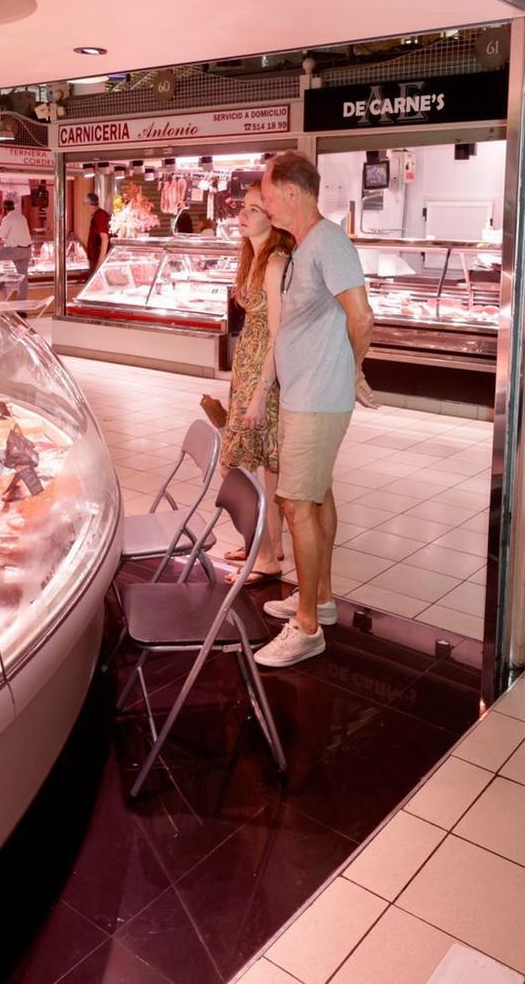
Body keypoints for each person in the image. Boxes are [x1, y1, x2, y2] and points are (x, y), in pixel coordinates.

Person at [254, 152, 375, 669]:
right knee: (317, 497)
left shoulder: (329, 241)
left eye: (267, 190)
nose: (262, 200)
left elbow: (362, 316)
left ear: (292, 191)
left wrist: (353, 370)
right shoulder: (303, 247)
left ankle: (305, 627)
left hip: (318, 398)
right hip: (304, 394)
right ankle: (319, 599)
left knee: (295, 503)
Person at [219, 186, 296, 585]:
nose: (243, 216)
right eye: (242, 209)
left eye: (254, 209)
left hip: (264, 374)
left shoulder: (275, 263)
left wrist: (260, 394)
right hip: (248, 368)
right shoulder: (251, 256)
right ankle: (267, 545)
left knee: (236, 465)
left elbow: (279, 334)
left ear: (272, 217)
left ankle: (265, 557)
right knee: (266, 466)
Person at [0, 196, 33, 299]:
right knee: (23, 279)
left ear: (4, 209)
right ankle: (22, 310)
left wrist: (0, 220)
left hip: (16, 251)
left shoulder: (8, 218)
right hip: (27, 251)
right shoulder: (21, 216)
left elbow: (0, 235)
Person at [82, 191, 111, 270]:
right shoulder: (96, 216)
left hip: (98, 259)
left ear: (89, 204)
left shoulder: (100, 215)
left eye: (84, 204)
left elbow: (105, 239)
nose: (85, 207)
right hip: (95, 259)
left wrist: (100, 263)